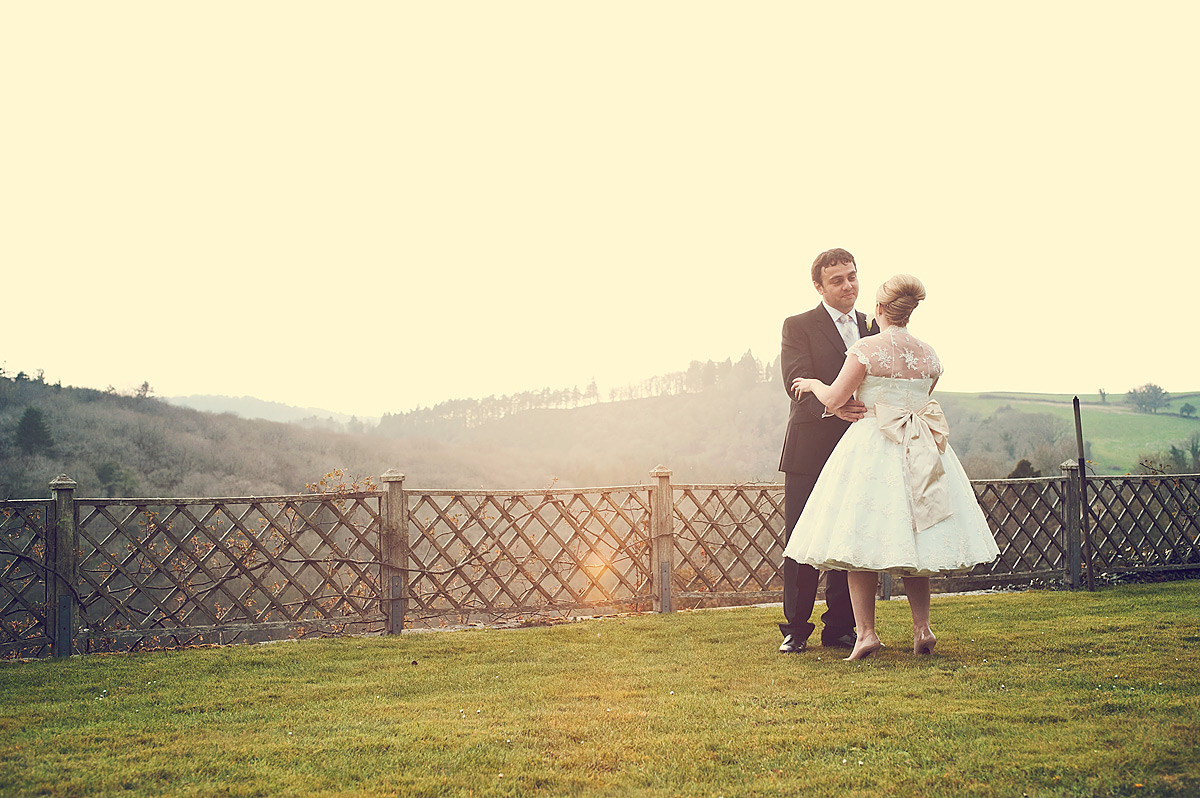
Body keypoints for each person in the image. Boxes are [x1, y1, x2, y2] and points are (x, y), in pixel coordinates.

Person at [783, 274, 1000, 660]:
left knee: (859, 537)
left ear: (879, 309)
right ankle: (922, 629)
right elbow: (921, 398)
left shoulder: (867, 349)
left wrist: (814, 383)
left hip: (872, 447)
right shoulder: (929, 354)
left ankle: (865, 633)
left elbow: (835, 399)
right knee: (917, 534)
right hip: (919, 448)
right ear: (910, 312)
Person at [776, 248, 877, 654]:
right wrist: (833, 404)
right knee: (801, 536)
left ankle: (840, 627)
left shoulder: (873, 326)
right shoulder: (798, 325)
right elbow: (795, 380)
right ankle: (795, 629)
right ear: (818, 286)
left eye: (852, 276)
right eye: (837, 280)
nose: (848, 285)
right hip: (809, 446)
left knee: (849, 534)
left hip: (859, 446)